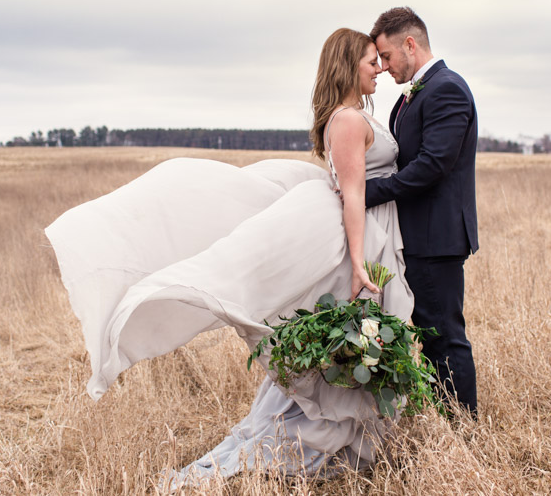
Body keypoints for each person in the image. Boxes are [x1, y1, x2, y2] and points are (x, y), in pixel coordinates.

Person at [45, 28, 414, 484]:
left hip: (371, 235)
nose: (379, 68)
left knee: (352, 346)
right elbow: (353, 196)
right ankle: (296, 447)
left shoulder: (354, 116)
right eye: (369, 61)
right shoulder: (349, 121)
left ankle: (342, 437)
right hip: (359, 242)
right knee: (347, 348)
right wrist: (359, 262)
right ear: (347, 65)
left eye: (380, 60)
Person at [364, 6, 479, 414]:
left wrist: (366, 194)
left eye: (388, 56)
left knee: (444, 335)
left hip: (436, 237)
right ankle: (441, 423)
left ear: (410, 44)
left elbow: (431, 167)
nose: (384, 67)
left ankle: (462, 430)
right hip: (418, 235)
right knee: (429, 334)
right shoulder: (415, 94)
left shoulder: (446, 88)